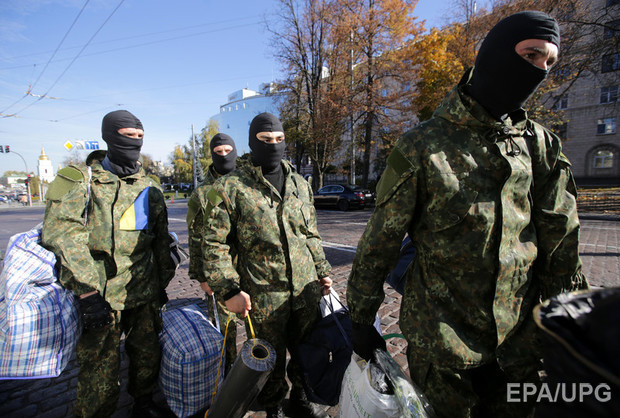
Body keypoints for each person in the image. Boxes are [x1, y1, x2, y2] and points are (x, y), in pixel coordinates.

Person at [346, 11, 589, 418]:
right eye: (531, 56)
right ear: (494, 54)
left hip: (520, 345)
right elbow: (381, 241)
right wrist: (360, 317)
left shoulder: (541, 146)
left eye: (549, 63)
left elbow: (560, 241)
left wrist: (571, 317)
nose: (539, 72)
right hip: (443, 344)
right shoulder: (424, 146)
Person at [42, 110, 176, 418]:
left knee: (146, 356)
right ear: (109, 135)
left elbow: (160, 238)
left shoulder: (149, 185)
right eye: (126, 135)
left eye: (139, 136)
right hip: (99, 294)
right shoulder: (79, 179)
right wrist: (88, 293)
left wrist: (161, 283)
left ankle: (143, 405)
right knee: (99, 371)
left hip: (142, 291)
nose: (134, 142)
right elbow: (62, 235)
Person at [201, 112, 332, 418]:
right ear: (251, 142)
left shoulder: (300, 183)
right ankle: (272, 405)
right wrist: (229, 289)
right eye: (265, 140)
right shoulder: (230, 187)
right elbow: (214, 244)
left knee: (305, 349)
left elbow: (310, 232)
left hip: (304, 289)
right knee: (269, 357)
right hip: (263, 295)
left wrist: (323, 271)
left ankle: (301, 396)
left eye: (279, 139)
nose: (273, 145)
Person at [187, 133, 239, 372]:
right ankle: (226, 375)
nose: (224, 155)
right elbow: (196, 237)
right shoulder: (204, 192)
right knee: (225, 329)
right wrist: (202, 277)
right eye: (218, 152)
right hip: (219, 271)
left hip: (252, 266)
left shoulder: (247, 180)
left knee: (259, 325)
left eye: (228, 150)